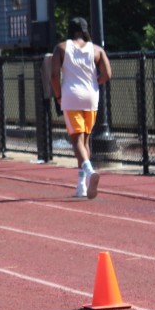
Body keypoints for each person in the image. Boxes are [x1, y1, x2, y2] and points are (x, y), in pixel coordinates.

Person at [50, 16, 112, 199]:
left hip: (71, 97)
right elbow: (107, 74)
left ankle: (90, 172)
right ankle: (81, 187)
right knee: (85, 142)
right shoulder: (97, 50)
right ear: (85, 30)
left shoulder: (61, 48)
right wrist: (94, 82)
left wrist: (58, 95)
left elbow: (54, 75)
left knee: (76, 141)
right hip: (91, 97)